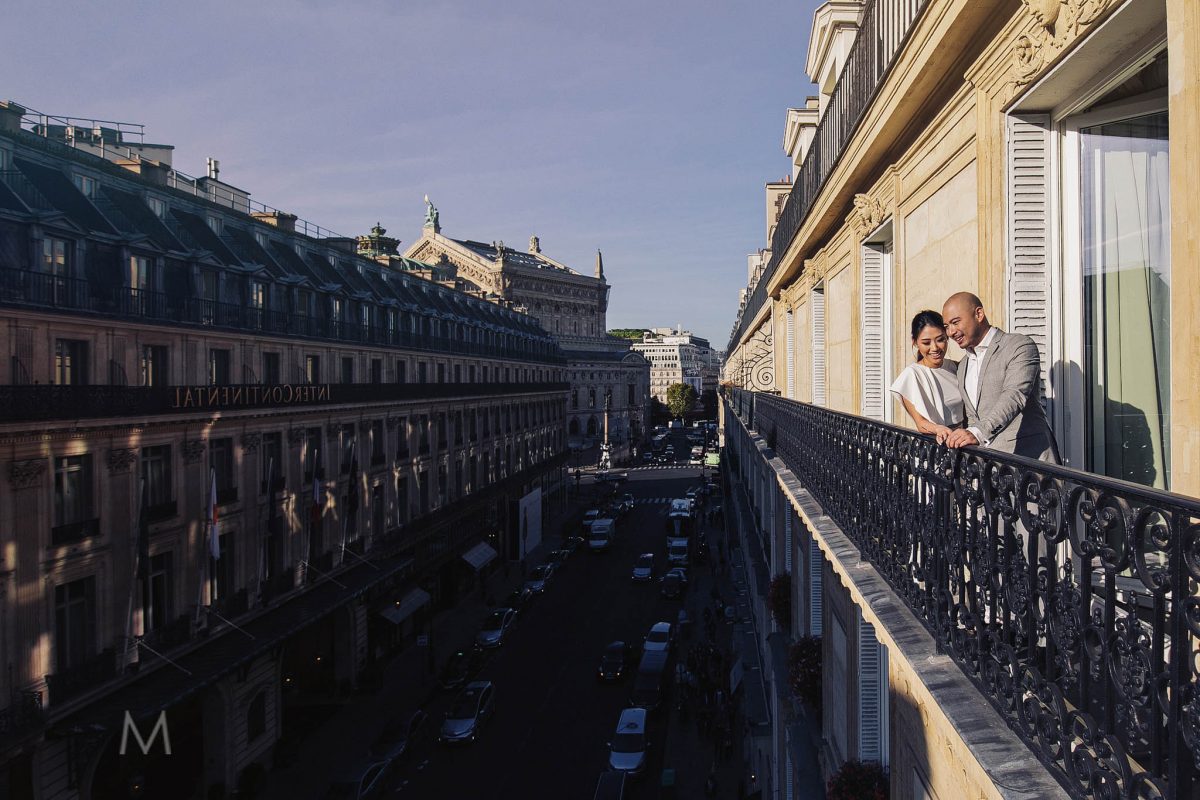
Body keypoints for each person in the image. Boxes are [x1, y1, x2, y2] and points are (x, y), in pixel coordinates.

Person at [941, 292, 1059, 461]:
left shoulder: (1019, 345)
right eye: (946, 326)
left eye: (955, 322)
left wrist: (978, 433)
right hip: (991, 469)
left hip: (1031, 462)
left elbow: (1014, 395)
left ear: (979, 314)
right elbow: (973, 417)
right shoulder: (963, 366)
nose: (951, 332)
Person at [890, 310, 964, 443]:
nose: (935, 348)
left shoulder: (956, 367)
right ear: (915, 342)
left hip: (964, 446)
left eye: (940, 340)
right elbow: (921, 423)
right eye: (926, 342)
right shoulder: (911, 375)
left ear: (947, 337)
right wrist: (939, 430)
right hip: (936, 447)